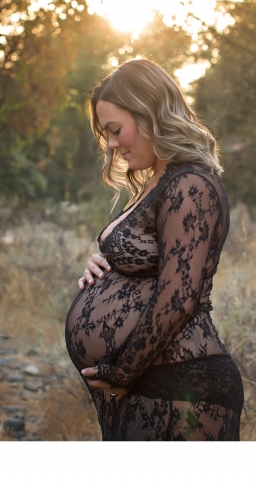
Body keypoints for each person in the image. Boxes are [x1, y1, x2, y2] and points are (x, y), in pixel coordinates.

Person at [64, 58, 244, 440]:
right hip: (154, 386)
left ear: (150, 114)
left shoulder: (191, 183)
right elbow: (151, 262)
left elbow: (179, 296)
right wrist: (106, 267)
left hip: (181, 389)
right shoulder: (156, 181)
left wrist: (121, 371)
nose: (112, 145)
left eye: (116, 130)